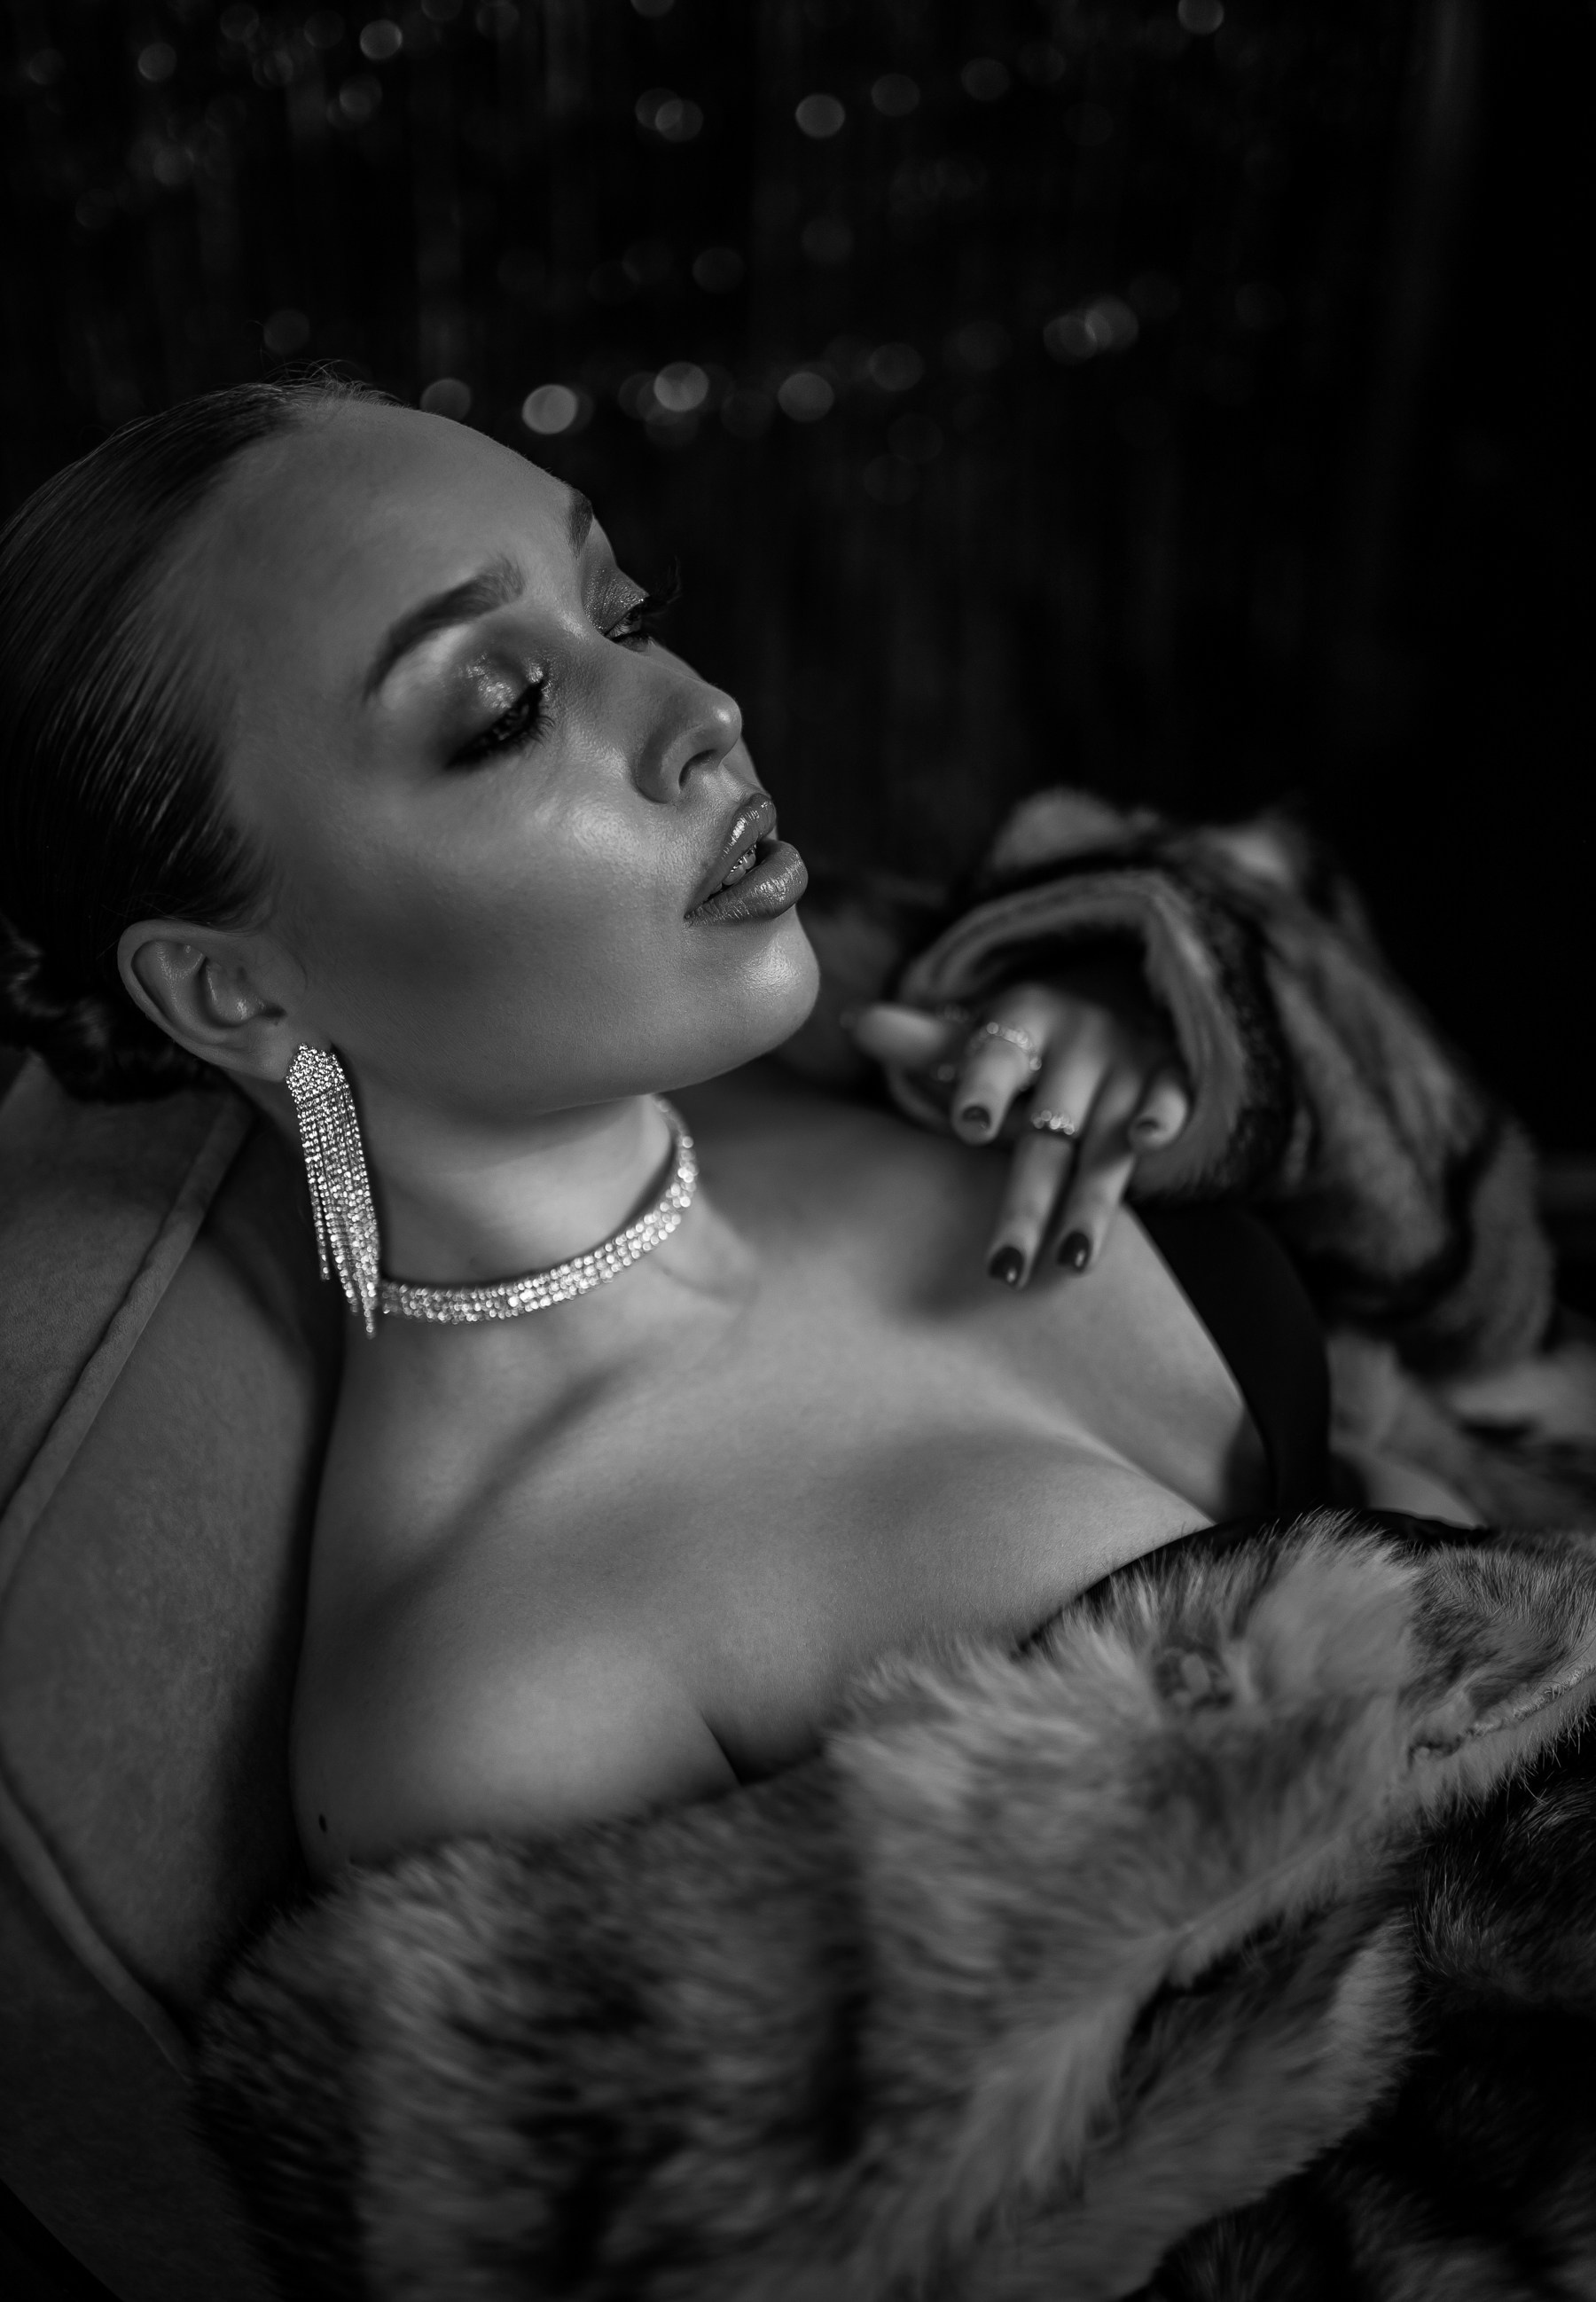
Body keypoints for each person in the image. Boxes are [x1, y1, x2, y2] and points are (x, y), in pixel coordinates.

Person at [0, 378, 1514, 1887]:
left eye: (626, 612)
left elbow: (1492, 1295)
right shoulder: (501, 1722)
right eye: (506, 713)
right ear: (233, 990)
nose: (702, 715)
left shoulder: (895, 1023)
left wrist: (1170, 1000)